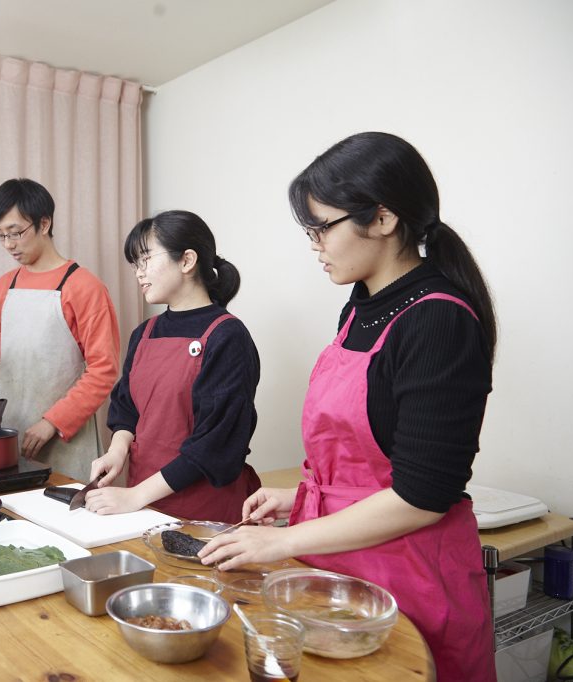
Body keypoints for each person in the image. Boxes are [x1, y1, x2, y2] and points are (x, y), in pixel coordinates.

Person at [200, 132, 497, 681]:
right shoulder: (359, 309)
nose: (314, 243)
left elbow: (423, 495)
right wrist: (301, 496)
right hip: (338, 567)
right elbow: (369, 460)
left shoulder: (439, 320)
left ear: (382, 218)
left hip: (410, 576)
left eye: (321, 227)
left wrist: (284, 541)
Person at [83, 210, 262, 522]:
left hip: (204, 513)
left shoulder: (227, 337)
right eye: (135, 264)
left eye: (146, 259)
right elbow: (126, 409)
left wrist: (135, 495)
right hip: (144, 505)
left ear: (187, 260)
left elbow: (214, 443)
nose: (139, 272)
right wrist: (117, 451)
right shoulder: (145, 333)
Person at [0, 179, 120, 481]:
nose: (9, 244)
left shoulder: (83, 287)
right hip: (11, 429)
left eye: (15, 233)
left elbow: (103, 370)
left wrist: (52, 422)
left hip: (66, 436)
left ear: (44, 223)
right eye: (0, 235)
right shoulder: (6, 285)